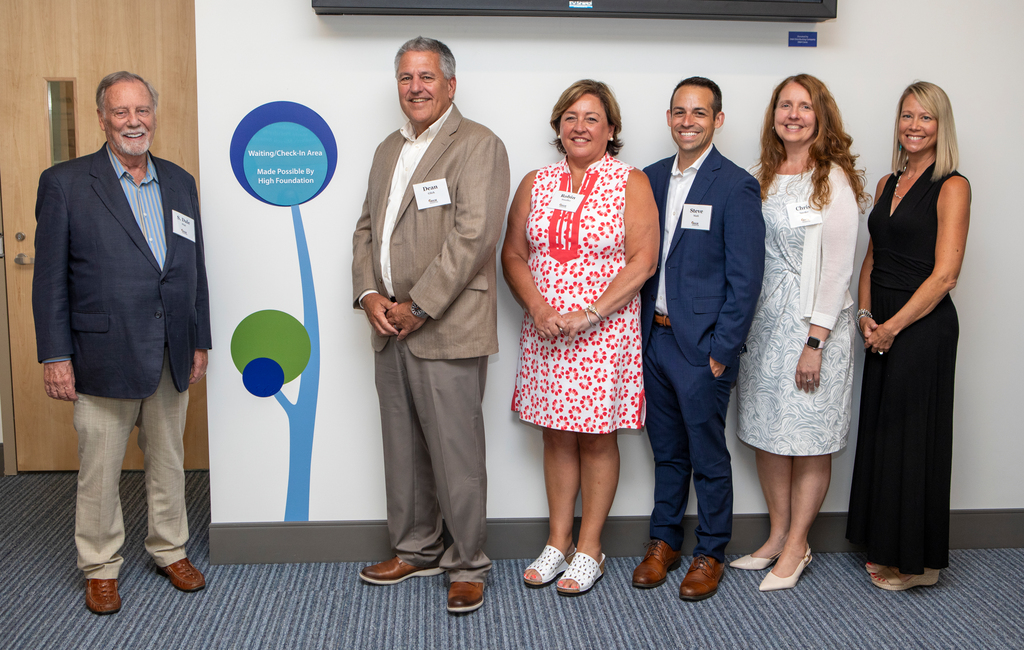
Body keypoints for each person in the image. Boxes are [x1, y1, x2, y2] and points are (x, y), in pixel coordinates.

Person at [32, 71, 211, 615]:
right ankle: (101, 565)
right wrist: (56, 355)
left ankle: (169, 549)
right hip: (101, 352)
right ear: (102, 118)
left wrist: (198, 337)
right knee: (101, 469)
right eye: (121, 112)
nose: (134, 122)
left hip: (168, 351)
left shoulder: (179, 182)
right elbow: (50, 279)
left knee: (167, 460)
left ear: (154, 114)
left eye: (142, 111)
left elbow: (192, 270)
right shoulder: (65, 183)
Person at [351, 37, 510, 614]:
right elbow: (367, 229)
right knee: (403, 447)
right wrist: (370, 295)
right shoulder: (386, 150)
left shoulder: (478, 145)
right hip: (387, 323)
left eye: (425, 76)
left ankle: (467, 563)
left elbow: (475, 237)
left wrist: (417, 305)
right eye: (404, 78)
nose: (414, 87)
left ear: (450, 83)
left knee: (456, 453)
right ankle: (415, 548)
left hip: (444, 325)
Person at [502, 80, 659, 596]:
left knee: (596, 437)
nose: (580, 126)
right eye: (570, 117)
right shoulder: (535, 181)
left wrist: (590, 312)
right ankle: (557, 541)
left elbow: (643, 261)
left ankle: (590, 547)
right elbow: (514, 255)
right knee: (555, 434)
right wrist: (539, 307)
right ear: (557, 127)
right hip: (546, 329)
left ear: (611, 129)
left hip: (603, 331)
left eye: (592, 118)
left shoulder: (629, 181)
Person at [732, 74, 868, 591]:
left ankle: (797, 546)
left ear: (821, 116)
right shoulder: (759, 175)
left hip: (816, 328)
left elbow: (838, 269)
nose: (793, 114)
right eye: (784, 105)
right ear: (773, 116)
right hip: (764, 325)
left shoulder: (833, 179)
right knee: (770, 432)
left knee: (809, 438)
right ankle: (777, 535)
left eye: (804, 106)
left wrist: (815, 343)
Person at [632, 77, 765, 601]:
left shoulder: (735, 185)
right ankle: (663, 542)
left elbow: (746, 278)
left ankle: (711, 551)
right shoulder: (649, 178)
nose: (688, 121)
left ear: (718, 120)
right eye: (679, 112)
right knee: (666, 452)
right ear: (668, 118)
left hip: (703, 348)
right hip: (654, 339)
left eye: (700, 113)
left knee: (707, 456)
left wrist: (721, 353)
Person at [846, 81, 970, 591]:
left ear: (942, 127)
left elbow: (945, 276)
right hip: (881, 323)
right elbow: (872, 258)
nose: (914, 126)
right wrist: (865, 315)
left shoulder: (953, 185)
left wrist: (894, 327)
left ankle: (919, 563)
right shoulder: (884, 183)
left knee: (915, 440)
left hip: (923, 324)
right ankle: (885, 544)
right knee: (884, 432)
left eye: (926, 118)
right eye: (907, 116)